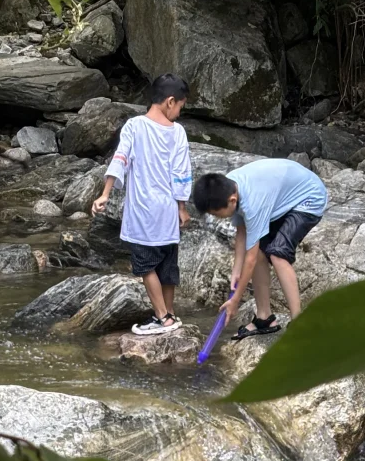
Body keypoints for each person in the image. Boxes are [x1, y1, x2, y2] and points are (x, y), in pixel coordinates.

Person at [92, 74, 193, 337]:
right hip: (168, 211)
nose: (179, 113)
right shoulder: (178, 133)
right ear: (170, 102)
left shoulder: (135, 127)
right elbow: (182, 173)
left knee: (146, 266)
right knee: (167, 267)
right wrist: (182, 208)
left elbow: (120, 159)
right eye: (181, 106)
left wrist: (105, 193)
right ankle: (170, 313)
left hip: (143, 212)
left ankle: (162, 319)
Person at [191, 158, 327, 339]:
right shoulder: (230, 186)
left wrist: (235, 300)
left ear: (232, 201)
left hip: (308, 198)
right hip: (282, 200)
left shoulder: (252, 203)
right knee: (261, 253)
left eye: (216, 214)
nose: (216, 218)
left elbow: (251, 258)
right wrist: (236, 270)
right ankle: (265, 318)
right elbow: (242, 231)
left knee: (278, 254)